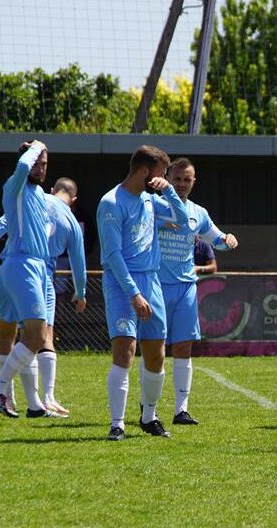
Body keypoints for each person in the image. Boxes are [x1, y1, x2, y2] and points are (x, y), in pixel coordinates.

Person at [0, 177, 87, 416]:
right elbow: (78, 260)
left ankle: (18, 401)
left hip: (8, 267)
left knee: (8, 335)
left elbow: (5, 221)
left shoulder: (36, 198)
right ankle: (40, 398)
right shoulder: (72, 222)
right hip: (38, 274)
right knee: (41, 337)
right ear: (74, 201)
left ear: (52, 189)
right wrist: (80, 291)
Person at [98, 144, 190, 441]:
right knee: (124, 349)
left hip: (152, 282)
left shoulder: (152, 201)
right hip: (122, 284)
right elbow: (112, 255)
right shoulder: (111, 202)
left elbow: (183, 219)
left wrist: (170, 192)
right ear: (145, 171)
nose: (165, 179)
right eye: (163, 174)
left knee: (156, 353)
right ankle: (117, 423)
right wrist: (134, 294)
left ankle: (149, 416)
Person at [0, 140, 63, 419]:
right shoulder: (13, 185)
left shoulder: (38, 193)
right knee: (37, 334)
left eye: (45, 164)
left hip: (32, 266)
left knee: (24, 336)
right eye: (37, 163)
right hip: (22, 264)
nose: (41, 168)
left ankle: (34, 404)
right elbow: (22, 166)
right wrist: (36, 146)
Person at [157, 157, 238, 425]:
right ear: (168, 178)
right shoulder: (153, 205)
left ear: (194, 181)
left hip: (185, 289)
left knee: (183, 347)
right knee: (151, 349)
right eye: (177, 179)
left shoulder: (198, 213)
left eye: (186, 179)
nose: (181, 184)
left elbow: (217, 240)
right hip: (154, 286)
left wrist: (228, 240)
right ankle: (149, 409)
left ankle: (181, 410)